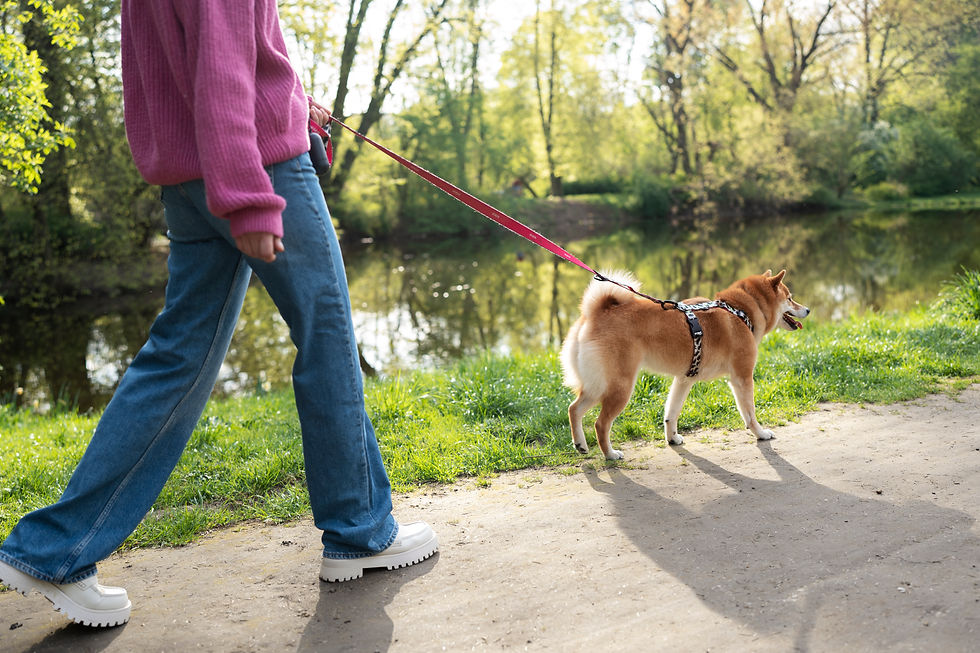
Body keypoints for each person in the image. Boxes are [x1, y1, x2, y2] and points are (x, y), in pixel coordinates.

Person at [0, 0, 437, 628]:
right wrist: (249, 198)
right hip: (257, 169)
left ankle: (52, 548)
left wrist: (290, 100)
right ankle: (360, 531)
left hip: (187, 175)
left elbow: (183, 61)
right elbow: (223, 71)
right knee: (327, 337)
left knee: (179, 355)